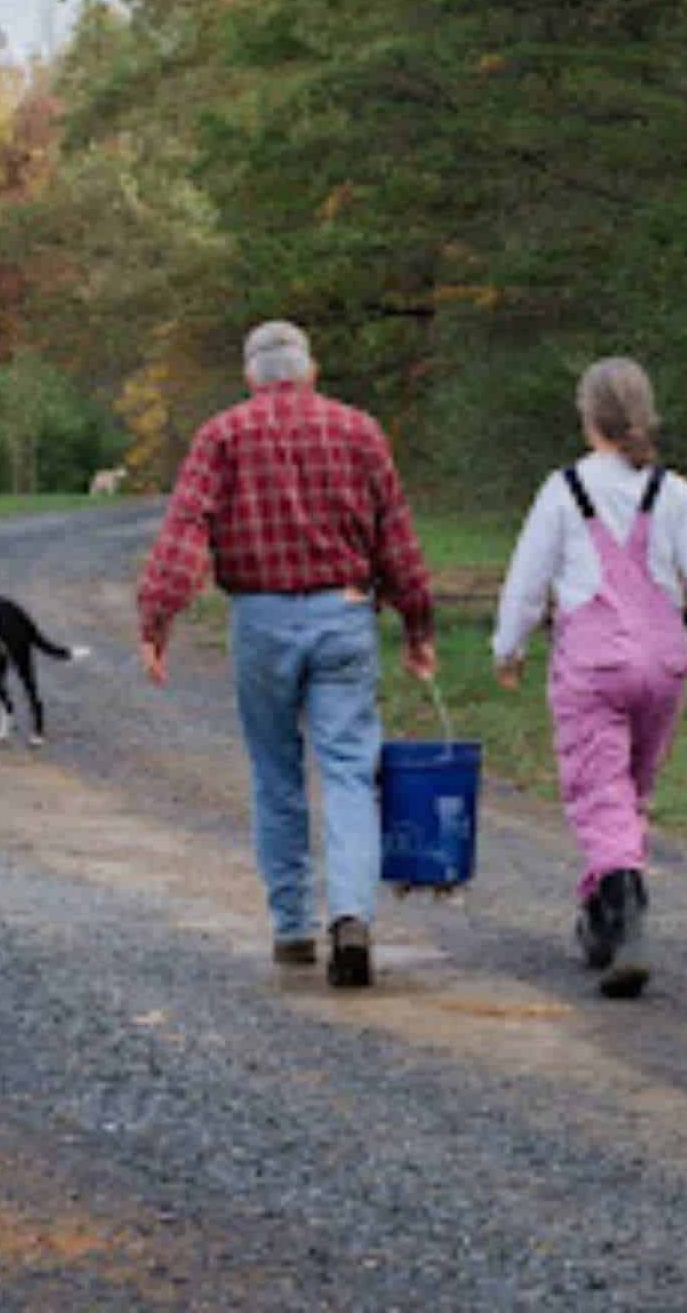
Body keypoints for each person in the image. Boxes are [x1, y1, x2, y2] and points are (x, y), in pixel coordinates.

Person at [137, 320, 436, 988]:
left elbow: (186, 529)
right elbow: (397, 536)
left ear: (251, 376)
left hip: (261, 620)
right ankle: (352, 916)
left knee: (276, 775)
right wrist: (418, 625)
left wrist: (158, 619)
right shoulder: (360, 431)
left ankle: (294, 926)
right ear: (311, 370)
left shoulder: (222, 435)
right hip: (346, 615)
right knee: (350, 772)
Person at [491, 357, 687, 999]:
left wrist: (509, 649)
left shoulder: (565, 490)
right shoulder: (673, 492)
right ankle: (601, 915)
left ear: (588, 419)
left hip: (593, 666)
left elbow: (528, 582)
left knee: (597, 791)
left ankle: (625, 907)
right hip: (663, 666)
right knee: (627, 794)